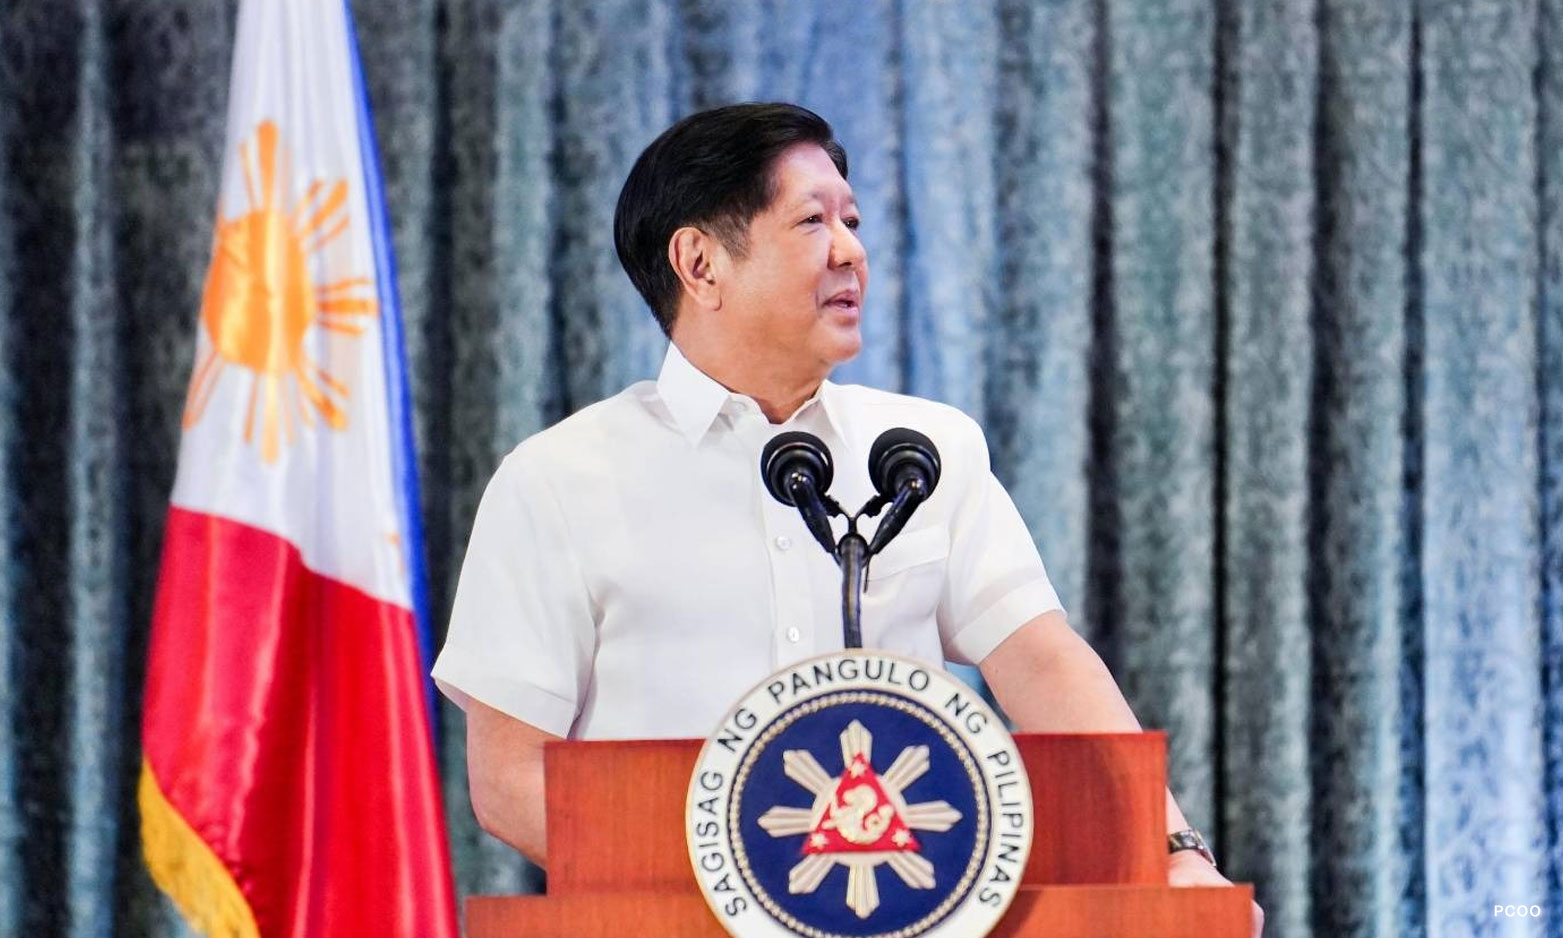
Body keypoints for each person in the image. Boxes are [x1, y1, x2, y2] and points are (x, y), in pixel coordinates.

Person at [432, 102, 1262, 936]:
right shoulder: (558, 481)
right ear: (700, 263)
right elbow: (509, 781)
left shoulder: (923, 452)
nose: (851, 251)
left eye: (852, 221)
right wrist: (751, 899)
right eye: (811, 222)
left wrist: (1173, 852)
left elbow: (1043, 665)